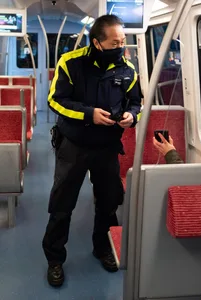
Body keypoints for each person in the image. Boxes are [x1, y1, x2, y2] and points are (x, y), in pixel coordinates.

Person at [43, 14, 142, 287]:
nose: (121, 46)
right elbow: (55, 101)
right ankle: (54, 259)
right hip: (74, 145)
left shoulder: (128, 70)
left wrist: (132, 116)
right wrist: (88, 115)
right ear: (97, 43)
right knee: (62, 204)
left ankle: (102, 247)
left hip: (107, 146)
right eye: (115, 42)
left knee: (109, 203)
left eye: (123, 41)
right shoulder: (71, 63)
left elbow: (136, 103)